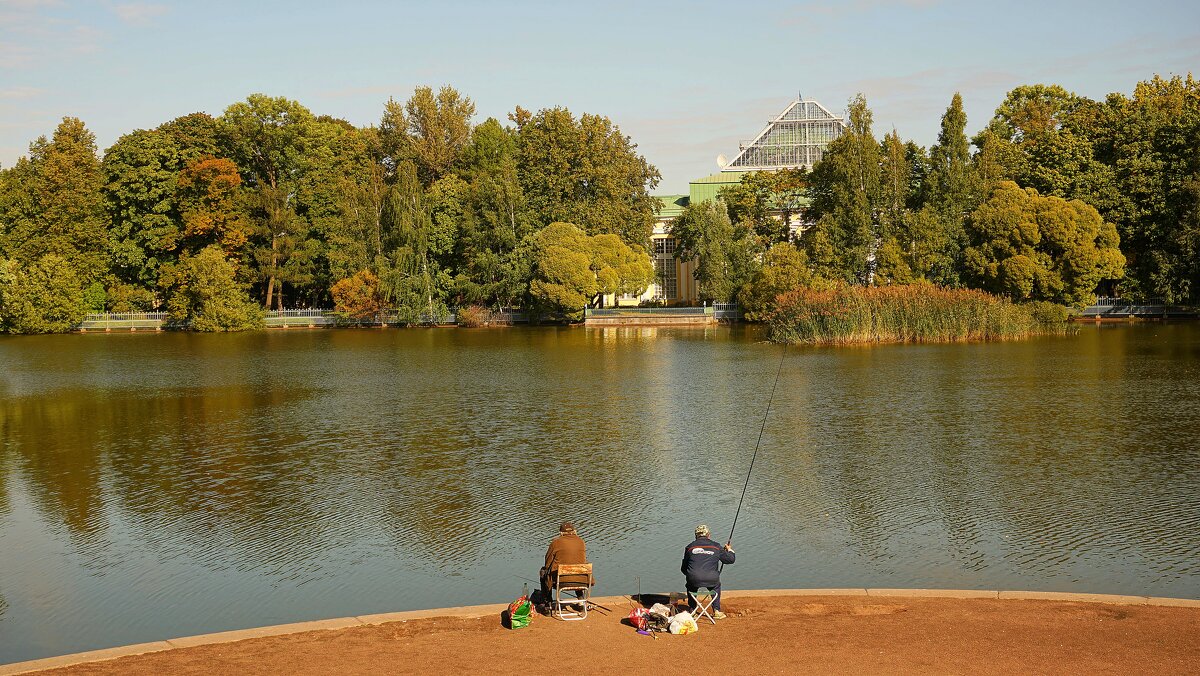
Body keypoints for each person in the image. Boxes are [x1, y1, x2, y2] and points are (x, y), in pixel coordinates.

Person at [681, 524, 735, 620]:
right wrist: (729, 550)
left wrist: (690, 575)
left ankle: (692, 610)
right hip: (711, 579)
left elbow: (683, 568)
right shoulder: (716, 547)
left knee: (690, 585)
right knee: (715, 586)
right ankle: (717, 611)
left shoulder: (689, 547)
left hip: (694, 579)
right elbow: (730, 560)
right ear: (708, 535)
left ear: (696, 535)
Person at [540, 522, 589, 601]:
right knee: (576, 569)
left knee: (543, 572)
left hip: (562, 581)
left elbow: (547, 562)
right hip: (581, 581)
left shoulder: (556, 542)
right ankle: (580, 600)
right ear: (574, 531)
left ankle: (547, 603)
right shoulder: (581, 541)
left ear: (561, 532)